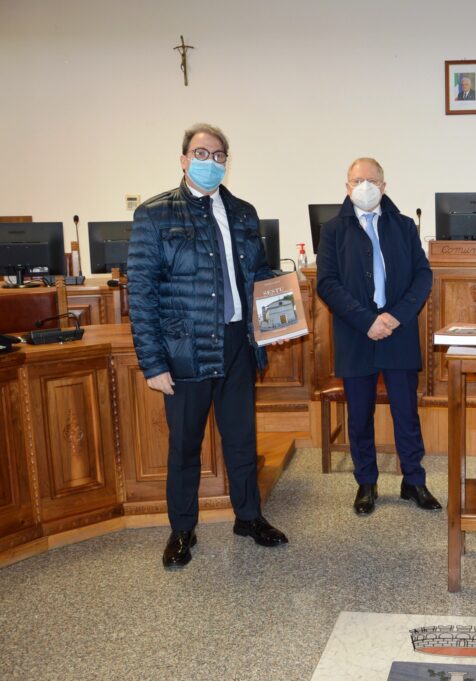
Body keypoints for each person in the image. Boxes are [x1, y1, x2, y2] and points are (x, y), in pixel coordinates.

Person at [127, 123, 289, 569]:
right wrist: (153, 362)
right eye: (201, 153)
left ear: (226, 162)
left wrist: (281, 309)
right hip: (186, 349)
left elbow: (255, 276)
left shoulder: (242, 212)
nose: (210, 162)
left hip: (237, 342)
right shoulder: (154, 215)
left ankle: (249, 517)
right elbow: (140, 294)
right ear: (183, 160)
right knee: (184, 445)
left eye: (219, 155)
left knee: (241, 439)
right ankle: (182, 530)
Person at [315, 157, 440, 516]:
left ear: (384, 187)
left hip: (397, 333)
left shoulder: (402, 226)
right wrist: (367, 321)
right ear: (346, 186)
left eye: (372, 180)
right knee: (359, 414)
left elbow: (423, 275)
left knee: (406, 412)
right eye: (357, 180)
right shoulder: (333, 230)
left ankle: (413, 480)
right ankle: (366, 482)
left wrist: (395, 317)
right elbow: (327, 283)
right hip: (356, 334)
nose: (364, 186)